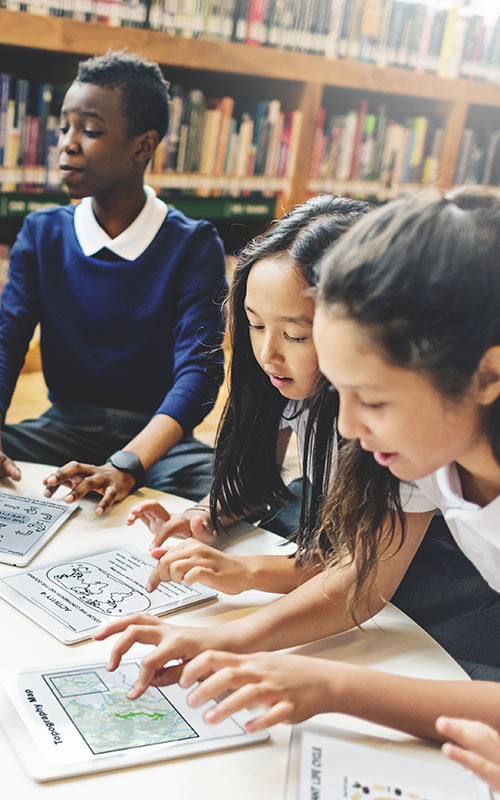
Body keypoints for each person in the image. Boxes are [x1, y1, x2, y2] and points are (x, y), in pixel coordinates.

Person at [95, 188, 500, 744]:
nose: (349, 429)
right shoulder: (433, 450)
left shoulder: (423, 447)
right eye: (255, 326)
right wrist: (233, 640)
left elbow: (364, 576)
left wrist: (331, 685)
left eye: (373, 399)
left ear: (484, 376)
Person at [0, 51, 226, 512]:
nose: (67, 143)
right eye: (64, 128)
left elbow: (200, 375)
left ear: (143, 146)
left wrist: (128, 462)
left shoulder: (194, 245)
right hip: (62, 427)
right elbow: (6, 342)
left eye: (91, 130)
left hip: (160, 438)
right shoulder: (42, 234)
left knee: (245, 493)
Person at [128, 194, 370, 595]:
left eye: (295, 335)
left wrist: (246, 572)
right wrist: (206, 515)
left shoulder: (397, 422)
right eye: (255, 326)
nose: (267, 354)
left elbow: (365, 568)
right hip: (331, 523)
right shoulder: (286, 380)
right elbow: (256, 479)